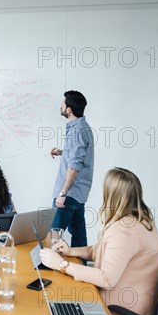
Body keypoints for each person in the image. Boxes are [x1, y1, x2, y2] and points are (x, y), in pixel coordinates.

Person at [40, 167, 158, 315]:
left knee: (54, 310)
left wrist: (63, 265)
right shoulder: (142, 220)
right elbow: (104, 250)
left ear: (111, 195)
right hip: (140, 307)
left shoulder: (124, 230)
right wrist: (70, 251)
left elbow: (107, 278)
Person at [49, 90, 94, 248]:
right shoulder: (83, 127)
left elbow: (74, 166)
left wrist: (63, 193)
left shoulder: (76, 131)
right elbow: (78, 155)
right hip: (78, 194)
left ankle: (48, 269)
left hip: (69, 194)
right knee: (79, 237)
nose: (60, 106)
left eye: (63, 103)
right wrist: (63, 152)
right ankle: (81, 269)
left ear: (68, 109)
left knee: (53, 236)